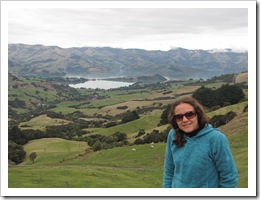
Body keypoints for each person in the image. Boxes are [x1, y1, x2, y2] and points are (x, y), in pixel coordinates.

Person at [162, 96, 238, 188]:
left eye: (189, 114)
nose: (185, 120)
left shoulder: (216, 139)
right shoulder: (173, 135)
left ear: (198, 114)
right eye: (179, 116)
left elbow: (229, 178)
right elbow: (169, 171)